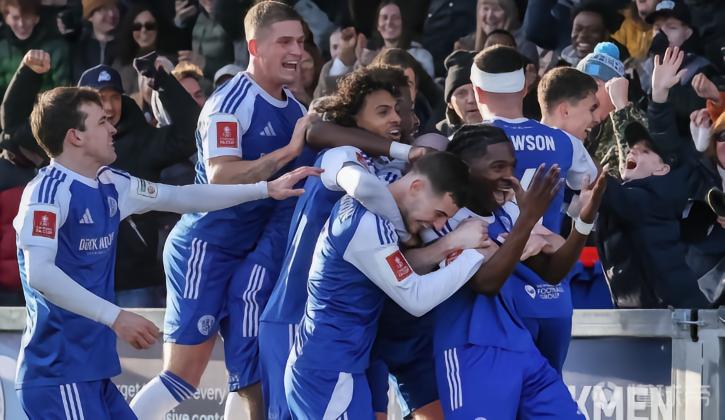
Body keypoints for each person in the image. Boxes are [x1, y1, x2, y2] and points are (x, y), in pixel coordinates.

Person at [12, 85, 317, 420]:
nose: (113, 128)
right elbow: (40, 274)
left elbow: (182, 196)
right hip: (58, 374)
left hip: (91, 371)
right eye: (101, 122)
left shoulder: (111, 183)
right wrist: (115, 317)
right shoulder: (46, 193)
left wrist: (264, 189)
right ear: (75, 136)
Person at [130, 3, 310, 419]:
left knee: (248, 375)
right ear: (255, 47)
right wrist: (288, 152)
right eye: (284, 41)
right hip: (206, 248)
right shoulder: (230, 102)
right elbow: (220, 175)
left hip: (251, 255)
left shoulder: (297, 109)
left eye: (300, 42)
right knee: (182, 377)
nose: (297, 52)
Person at [259, 64, 414, 420]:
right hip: (297, 319)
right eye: (382, 112)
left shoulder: (383, 165)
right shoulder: (341, 156)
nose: (395, 118)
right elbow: (318, 131)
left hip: (352, 332)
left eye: (397, 110)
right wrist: (404, 230)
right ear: (354, 120)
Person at [418, 123, 604, 419]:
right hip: (471, 351)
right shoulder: (443, 220)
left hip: (522, 348)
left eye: (512, 166)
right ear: (464, 169)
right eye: (498, 167)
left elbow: (552, 273)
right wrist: (527, 220)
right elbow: (485, 282)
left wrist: (583, 221)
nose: (509, 177)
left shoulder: (506, 215)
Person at [284, 152, 487, 418]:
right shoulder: (368, 223)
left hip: (338, 365)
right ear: (416, 187)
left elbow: (404, 272)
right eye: (439, 214)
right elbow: (415, 298)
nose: (438, 225)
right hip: (328, 370)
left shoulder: (374, 216)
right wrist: (475, 255)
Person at [471, 45, 598, 371]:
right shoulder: (566, 142)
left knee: (503, 391)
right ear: (525, 88)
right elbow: (589, 189)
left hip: (502, 294)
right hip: (554, 294)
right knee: (548, 391)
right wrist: (562, 226)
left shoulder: (470, 143)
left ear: (477, 91)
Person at [597, 47, 709, 308]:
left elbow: (602, 184)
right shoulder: (647, 190)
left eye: (645, 151)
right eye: (632, 149)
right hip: (653, 310)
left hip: (674, 312)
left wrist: (566, 144)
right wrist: (658, 96)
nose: (632, 151)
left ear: (662, 170)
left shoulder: (652, 198)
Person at [577, 41, 648, 176]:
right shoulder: (573, 121)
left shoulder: (636, 122)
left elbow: (634, 172)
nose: (583, 93)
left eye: (594, 85)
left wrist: (621, 108)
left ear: (613, 87)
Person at [0, 0, 70, 99]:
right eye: (15, 18)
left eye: (27, 17)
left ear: (37, 17)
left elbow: (64, 91)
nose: (21, 24)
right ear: (6, 18)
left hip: (46, 106)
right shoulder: (2, 48)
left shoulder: (57, 48)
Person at [112, 4, 176, 98]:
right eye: (137, 27)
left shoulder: (170, 62)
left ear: (159, 28)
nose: (143, 31)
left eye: (149, 26)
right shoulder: (120, 62)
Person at [456, 0, 539, 65]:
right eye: (485, 8)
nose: (490, 16)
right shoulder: (465, 45)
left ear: (509, 13)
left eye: (496, 9)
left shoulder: (525, 45)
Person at [371, 0, 435, 76]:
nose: (389, 22)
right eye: (384, 18)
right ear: (377, 25)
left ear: (403, 23)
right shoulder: (369, 56)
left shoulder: (421, 56)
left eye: (395, 18)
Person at [71, 0, 119, 82]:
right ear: (90, 16)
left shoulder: (126, 45)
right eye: (103, 9)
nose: (111, 14)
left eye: (114, 7)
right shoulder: (79, 48)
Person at [436, 50, 482, 137]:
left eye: (477, 91)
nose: (471, 100)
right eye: (461, 93)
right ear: (450, 103)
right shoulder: (438, 136)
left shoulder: (505, 131)